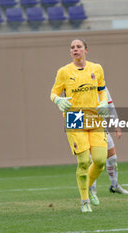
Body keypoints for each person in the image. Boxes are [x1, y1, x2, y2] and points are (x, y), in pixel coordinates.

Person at [50, 39, 109, 213]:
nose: (75, 49)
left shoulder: (96, 68)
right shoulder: (64, 71)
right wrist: (58, 100)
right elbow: (53, 92)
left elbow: (102, 89)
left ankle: (89, 186)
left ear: (86, 50)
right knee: (83, 162)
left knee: (99, 161)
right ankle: (84, 201)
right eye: (72, 48)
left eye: (78, 47)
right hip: (75, 117)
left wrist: (104, 102)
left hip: (94, 116)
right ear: (70, 52)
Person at [91, 88, 128, 195]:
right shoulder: (81, 86)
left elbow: (111, 106)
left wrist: (116, 125)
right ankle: (92, 189)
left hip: (101, 128)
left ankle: (115, 185)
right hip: (87, 129)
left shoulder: (102, 87)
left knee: (112, 158)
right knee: (92, 160)